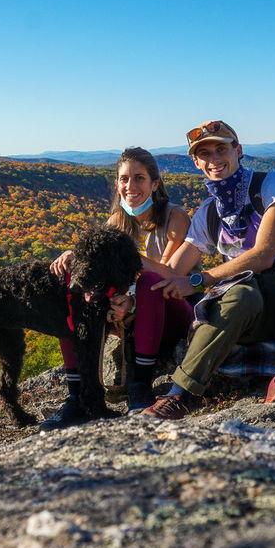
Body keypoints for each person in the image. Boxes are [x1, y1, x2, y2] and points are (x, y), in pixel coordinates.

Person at [145, 119, 275, 421]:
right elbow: (170, 270)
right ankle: (178, 396)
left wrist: (200, 278)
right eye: (204, 154)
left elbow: (263, 255)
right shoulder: (208, 212)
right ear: (195, 162)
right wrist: (121, 254)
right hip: (246, 309)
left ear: (238, 150)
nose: (214, 159)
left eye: (221, 149)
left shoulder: (272, 185)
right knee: (241, 294)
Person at [45, 147, 193, 428]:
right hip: (129, 315)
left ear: (155, 184)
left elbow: (171, 277)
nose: (130, 186)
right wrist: (75, 256)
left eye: (139, 178)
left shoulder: (176, 218)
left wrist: (126, 256)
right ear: (117, 184)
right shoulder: (115, 222)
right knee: (68, 285)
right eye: (124, 179)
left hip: (172, 313)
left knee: (150, 282)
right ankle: (78, 395)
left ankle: (140, 387)